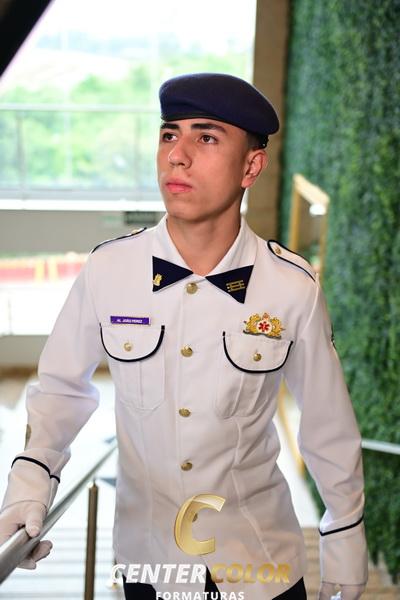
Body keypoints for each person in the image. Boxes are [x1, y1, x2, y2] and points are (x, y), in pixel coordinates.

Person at [0, 73, 368, 600]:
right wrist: (28, 489)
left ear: (251, 166)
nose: (177, 155)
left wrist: (345, 544)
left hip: (261, 565)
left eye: (207, 137)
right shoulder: (109, 270)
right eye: (169, 134)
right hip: (149, 566)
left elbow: (328, 427)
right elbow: (61, 390)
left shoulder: (292, 287)